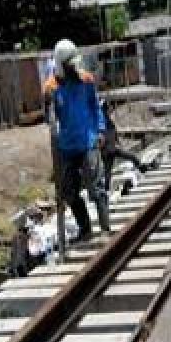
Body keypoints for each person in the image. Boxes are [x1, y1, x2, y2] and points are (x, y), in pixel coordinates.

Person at [44, 39, 109, 241]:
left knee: (97, 188)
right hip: (66, 146)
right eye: (71, 64)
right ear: (62, 65)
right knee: (69, 191)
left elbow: (95, 106)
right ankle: (85, 228)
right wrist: (50, 111)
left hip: (88, 140)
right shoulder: (51, 88)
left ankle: (105, 230)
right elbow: (50, 118)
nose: (76, 68)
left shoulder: (86, 80)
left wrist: (100, 130)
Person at [99, 100, 147, 194]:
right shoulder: (103, 120)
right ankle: (142, 168)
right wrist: (114, 144)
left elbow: (112, 133)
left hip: (108, 149)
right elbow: (108, 134)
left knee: (107, 171)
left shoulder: (104, 119)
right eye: (109, 107)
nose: (111, 109)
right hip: (110, 148)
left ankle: (106, 190)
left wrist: (116, 142)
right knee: (131, 157)